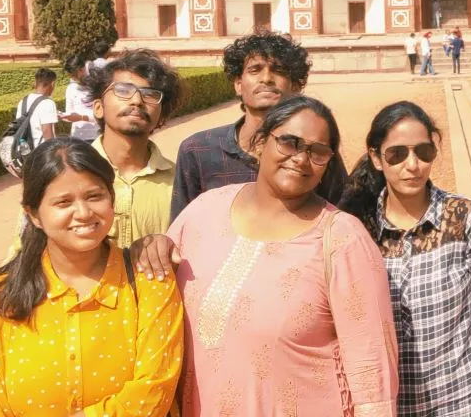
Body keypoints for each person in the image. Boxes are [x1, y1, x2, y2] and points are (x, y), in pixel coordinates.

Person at [133, 97, 399, 416]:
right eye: (289, 142)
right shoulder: (203, 212)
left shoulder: (342, 239)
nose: (301, 158)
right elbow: (154, 301)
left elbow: (371, 363)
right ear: (260, 144)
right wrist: (149, 247)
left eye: (317, 151)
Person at [0, 138, 183, 416]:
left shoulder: (150, 281)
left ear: (111, 199)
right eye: (63, 202)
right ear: (34, 215)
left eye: (94, 196)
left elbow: (152, 393)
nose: (83, 213)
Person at [340, 101, 471, 416]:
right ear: (376, 158)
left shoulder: (466, 219)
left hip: (465, 402)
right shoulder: (358, 229)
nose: (413, 165)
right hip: (392, 406)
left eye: (423, 152)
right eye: (397, 154)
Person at [171, 31, 347, 220]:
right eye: (255, 70)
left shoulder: (314, 152)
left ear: (295, 87)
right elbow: (183, 226)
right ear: (238, 84)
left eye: (279, 71)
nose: (267, 78)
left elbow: (341, 217)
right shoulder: (199, 150)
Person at [84, 49, 181, 248]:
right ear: (98, 107)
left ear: (161, 116)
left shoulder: (179, 184)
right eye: (123, 90)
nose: (137, 100)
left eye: (150, 94)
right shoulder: (65, 175)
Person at [15, 67, 58, 149]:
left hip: (24, 151)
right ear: (52, 84)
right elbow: (47, 134)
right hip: (40, 151)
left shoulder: (23, 101)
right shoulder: (48, 103)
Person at [60, 56, 100, 142]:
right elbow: (70, 112)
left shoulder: (96, 86)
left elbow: (101, 115)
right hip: (77, 137)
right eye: (71, 75)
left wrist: (81, 117)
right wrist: (65, 116)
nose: (73, 78)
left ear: (83, 69)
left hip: (95, 136)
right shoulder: (70, 88)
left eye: (75, 74)